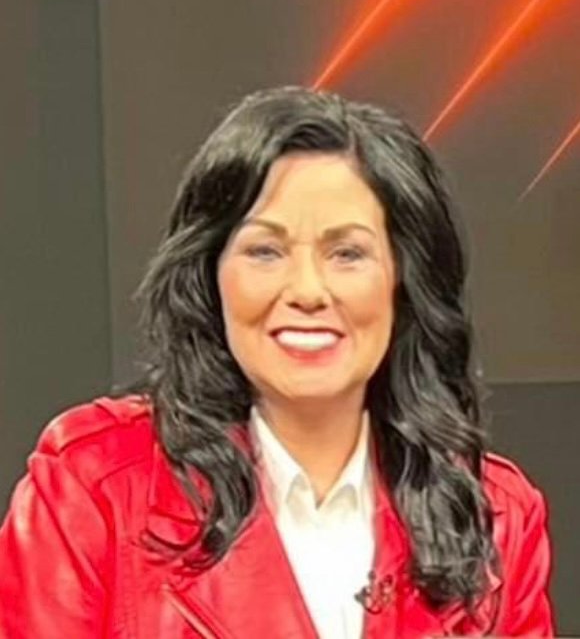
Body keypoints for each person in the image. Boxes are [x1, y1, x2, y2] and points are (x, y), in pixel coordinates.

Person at [0, 86, 555, 638]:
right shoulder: (91, 488)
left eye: (347, 254)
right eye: (265, 251)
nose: (307, 291)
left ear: (404, 281)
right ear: (209, 275)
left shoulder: (498, 518)